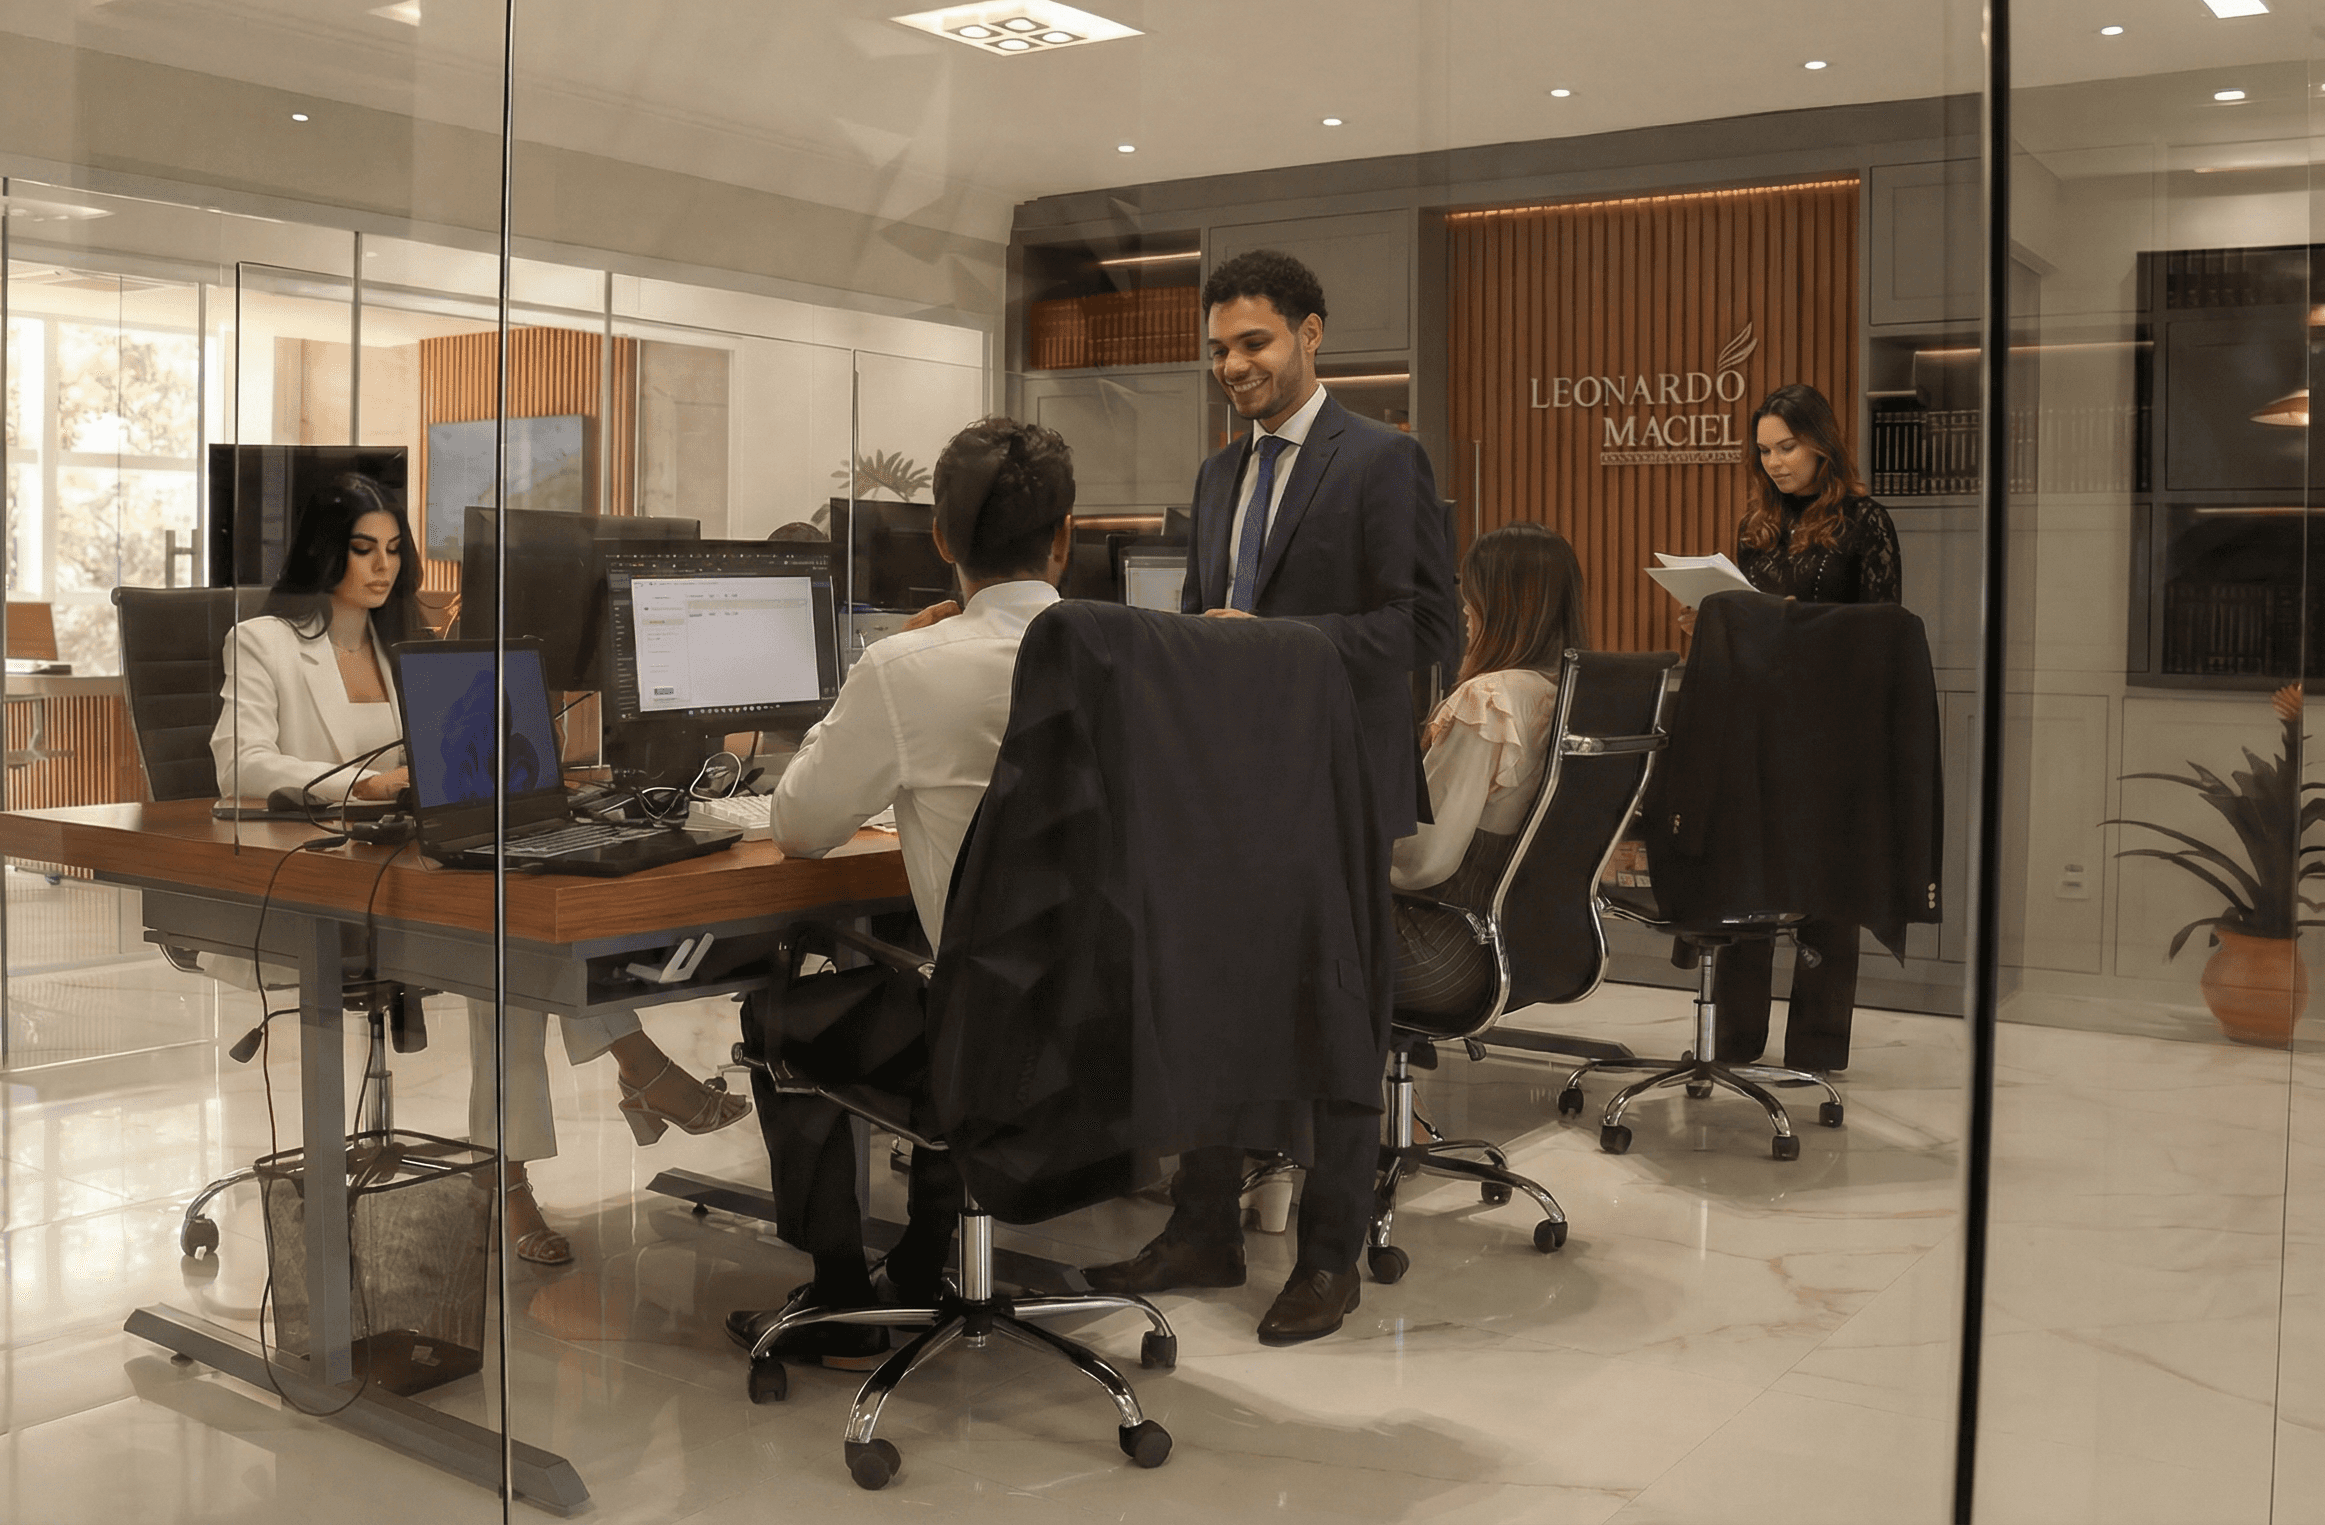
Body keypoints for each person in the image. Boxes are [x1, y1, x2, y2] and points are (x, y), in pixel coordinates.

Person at [210, 473, 750, 1269]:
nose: (383, 566)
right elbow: (241, 763)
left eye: (393, 549)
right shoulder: (262, 642)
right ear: (325, 552)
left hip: (421, 863)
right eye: (362, 549)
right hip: (322, 884)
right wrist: (366, 785)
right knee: (509, 951)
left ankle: (522, 1162)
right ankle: (597, 1104)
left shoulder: (406, 647)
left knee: (523, 925)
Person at [1081, 247, 1460, 1348]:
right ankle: (1204, 1226)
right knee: (1207, 1001)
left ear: (1311, 334)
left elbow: (1426, 626)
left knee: (1338, 1017)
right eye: (1219, 350)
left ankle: (1332, 1253)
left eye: (1253, 342)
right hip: (1224, 783)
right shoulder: (1217, 477)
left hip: (1336, 783)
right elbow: (1207, 620)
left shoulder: (1382, 459)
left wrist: (1274, 643)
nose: (1233, 366)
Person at [727, 417, 1074, 1370]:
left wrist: (879, 678)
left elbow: (800, 826)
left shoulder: (911, 668)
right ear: (1065, 536)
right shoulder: (1136, 658)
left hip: (983, 1036)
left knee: (784, 1012)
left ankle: (844, 1295)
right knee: (939, 986)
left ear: (941, 540)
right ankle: (922, 1259)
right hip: (1105, 1025)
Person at [1682, 381, 1902, 1074]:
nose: (1775, 463)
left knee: (1826, 891)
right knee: (1746, 879)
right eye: (1765, 451)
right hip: (1757, 726)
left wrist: (1784, 626)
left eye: (1787, 447)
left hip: (1832, 732)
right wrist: (1713, 622)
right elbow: (1748, 624)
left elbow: (1883, 636)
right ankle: (1734, 1041)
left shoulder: (1865, 521)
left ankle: (1816, 1049)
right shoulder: (1757, 526)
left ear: (1821, 445)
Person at [1388, 523, 1585, 1028]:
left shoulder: (1491, 700)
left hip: (1444, 952)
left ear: (1502, 602)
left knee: (1264, 914)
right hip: (1528, 947)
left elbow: (1422, 862)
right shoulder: (1572, 695)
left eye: (1472, 591)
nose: (1464, 608)